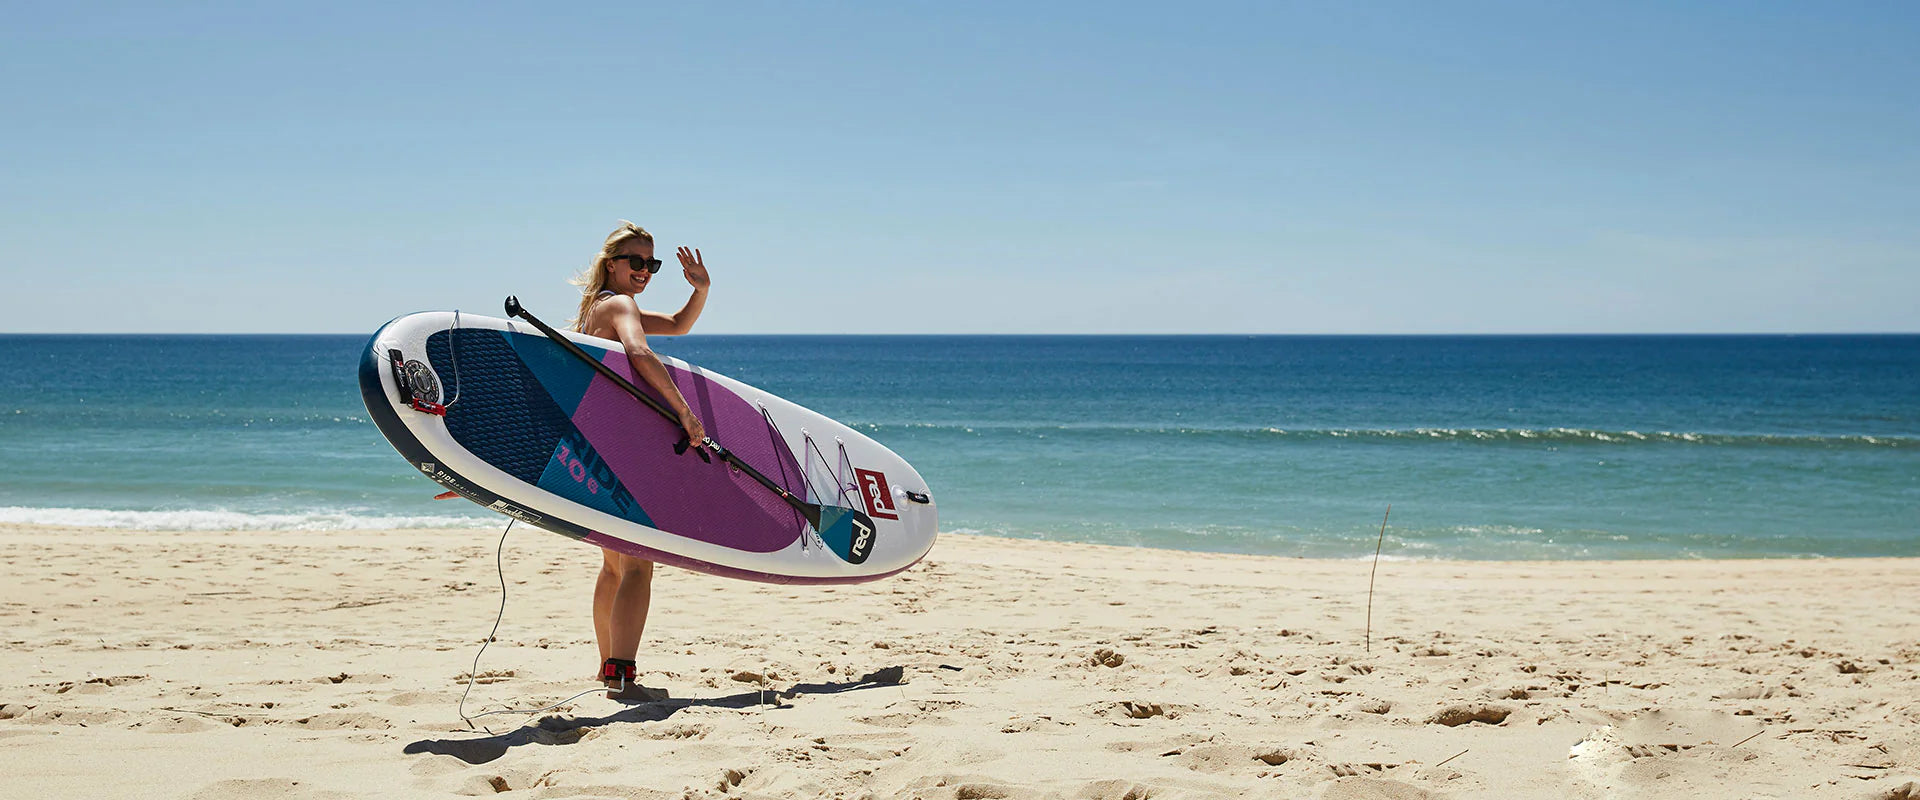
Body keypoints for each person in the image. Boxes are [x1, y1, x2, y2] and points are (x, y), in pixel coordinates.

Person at [569, 220, 710, 700]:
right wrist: (685, 413)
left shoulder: (597, 308)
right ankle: (621, 674)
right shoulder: (619, 305)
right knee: (638, 567)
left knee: (614, 567)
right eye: (636, 261)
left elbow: (678, 326)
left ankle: (607, 667)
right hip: (618, 449)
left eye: (652, 263)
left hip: (595, 446)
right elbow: (639, 350)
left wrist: (700, 290)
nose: (645, 271)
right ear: (613, 264)